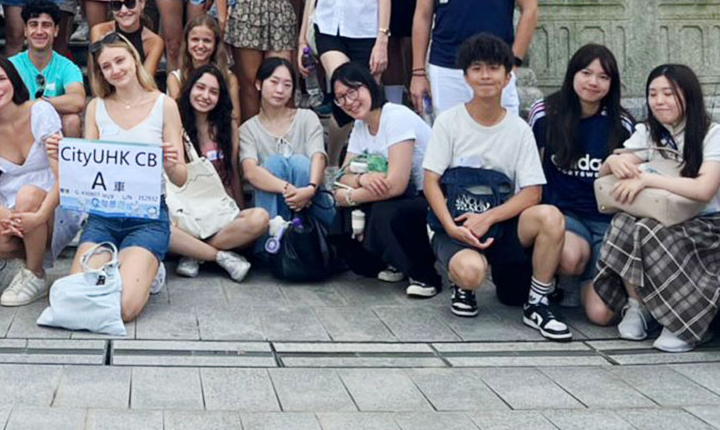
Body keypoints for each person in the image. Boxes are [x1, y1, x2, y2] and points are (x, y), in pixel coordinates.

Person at [420, 33, 573, 340]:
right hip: (458, 223)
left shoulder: (518, 129)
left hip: (502, 225)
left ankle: (538, 302)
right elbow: (430, 181)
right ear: (465, 76)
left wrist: (489, 218)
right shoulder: (449, 122)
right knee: (471, 273)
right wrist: (450, 227)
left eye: (493, 68)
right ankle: (463, 288)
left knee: (550, 217)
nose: (485, 76)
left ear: (507, 76)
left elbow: (532, 192)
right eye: (477, 68)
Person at [593, 63, 720, 352]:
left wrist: (646, 180)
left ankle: (685, 322)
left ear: (689, 96)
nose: (659, 101)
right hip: (666, 216)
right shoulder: (647, 133)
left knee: (649, 229)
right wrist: (613, 161)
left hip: (711, 224)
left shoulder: (714, 133)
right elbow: (608, 173)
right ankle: (638, 306)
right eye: (653, 94)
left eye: (669, 93)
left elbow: (703, 189)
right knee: (624, 221)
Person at [64, 33, 188, 323]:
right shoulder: (96, 107)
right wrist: (66, 156)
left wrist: (170, 164)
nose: (115, 70)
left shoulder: (164, 105)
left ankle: (145, 268)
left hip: (148, 216)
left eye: (120, 60)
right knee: (79, 295)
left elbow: (181, 178)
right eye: (106, 66)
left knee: (124, 309)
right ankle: (125, 267)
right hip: (103, 216)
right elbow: (87, 172)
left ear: (134, 58)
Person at [526, 44, 633, 325]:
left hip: (606, 222)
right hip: (564, 216)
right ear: (573, 74)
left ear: (612, 84)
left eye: (603, 77)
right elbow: (530, 170)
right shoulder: (545, 113)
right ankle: (546, 288)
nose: (593, 82)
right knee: (571, 258)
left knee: (601, 315)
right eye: (586, 73)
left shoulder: (621, 123)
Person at [330, 63, 440, 298]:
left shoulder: (395, 116)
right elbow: (340, 178)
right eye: (341, 97)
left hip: (430, 197)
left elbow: (396, 184)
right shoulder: (361, 125)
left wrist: (349, 196)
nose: (349, 101)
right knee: (346, 213)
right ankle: (392, 262)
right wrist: (362, 179)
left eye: (353, 91)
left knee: (384, 210)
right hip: (396, 195)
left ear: (369, 86)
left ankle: (424, 275)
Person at [0, 54, 69, 307]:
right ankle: (31, 260)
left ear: (13, 81)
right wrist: (2, 214)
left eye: (0, 79)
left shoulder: (40, 111)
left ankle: (34, 273)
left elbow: (63, 179)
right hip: (12, 206)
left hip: (53, 204)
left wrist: (38, 217)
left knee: (27, 195)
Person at [169, 65, 269, 279]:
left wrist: (240, 209)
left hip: (217, 208)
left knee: (259, 218)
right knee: (162, 229)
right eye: (200, 88)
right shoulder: (174, 123)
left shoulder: (228, 126)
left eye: (213, 92)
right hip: (184, 209)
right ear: (189, 89)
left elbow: (233, 172)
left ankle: (194, 253)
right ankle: (217, 255)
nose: (205, 96)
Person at [239, 58, 334, 232]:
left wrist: (310, 189)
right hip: (274, 202)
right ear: (259, 84)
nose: (280, 90)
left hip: (311, 200)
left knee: (301, 163)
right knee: (273, 165)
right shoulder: (247, 129)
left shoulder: (307, 118)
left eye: (287, 85)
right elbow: (250, 172)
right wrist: (288, 190)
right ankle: (273, 242)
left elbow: (318, 156)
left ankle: (302, 235)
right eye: (274, 82)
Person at [9, 0, 87, 136]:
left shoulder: (66, 66)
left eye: (46, 25)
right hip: (20, 129)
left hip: (54, 132)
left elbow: (77, 100)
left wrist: (39, 103)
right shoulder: (11, 65)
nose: (39, 31)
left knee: (72, 120)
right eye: (33, 25)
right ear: (25, 30)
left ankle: (66, 158)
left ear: (56, 30)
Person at [89, 0, 165, 86]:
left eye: (130, 3)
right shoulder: (99, 31)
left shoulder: (154, 41)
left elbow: (146, 81)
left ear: (142, 3)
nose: (123, 10)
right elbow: (96, 74)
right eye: (117, 5)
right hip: (107, 92)